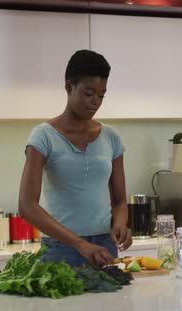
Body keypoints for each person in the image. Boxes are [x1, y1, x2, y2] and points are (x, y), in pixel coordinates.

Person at [18, 50, 132, 267]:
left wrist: (120, 224)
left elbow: (119, 201)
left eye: (101, 95)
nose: (95, 102)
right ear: (69, 87)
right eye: (89, 93)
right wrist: (80, 244)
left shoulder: (111, 137)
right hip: (60, 249)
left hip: (104, 248)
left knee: (113, 302)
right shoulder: (43, 136)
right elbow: (26, 205)